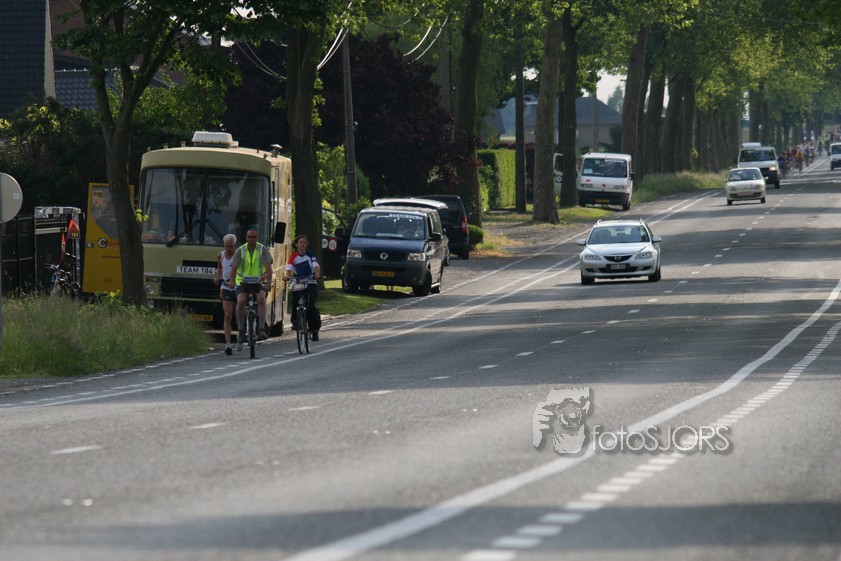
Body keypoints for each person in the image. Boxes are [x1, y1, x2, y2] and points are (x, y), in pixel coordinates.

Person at [227, 228, 273, 346]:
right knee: (241, 301)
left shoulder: (262, 249)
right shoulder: (240, 250)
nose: (251, 239)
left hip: (260, 281)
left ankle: (261, 328)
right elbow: (234, 268)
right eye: (249, 237)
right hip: (243, 282)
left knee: (261, 299)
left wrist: (269, 282)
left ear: (257, 238)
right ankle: (241, 329)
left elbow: (268, 268)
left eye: (254, 237)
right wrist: (232, 281)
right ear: (246, 238)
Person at [283, 235, 322, 341]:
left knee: (310, 307)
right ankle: (296, 321)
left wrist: (317, 274)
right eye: (300, 242)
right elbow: (289, 269)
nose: (302, 244)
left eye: (304, 242)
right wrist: (287, 276)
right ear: (296, 244)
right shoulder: (293, 256)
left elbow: (316, 266)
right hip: (299, 282)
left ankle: (314, 330)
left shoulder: (310, 255)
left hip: (310, 282)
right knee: (295, 300)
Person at [214, 234, 237, 355]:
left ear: (234, 245)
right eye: (227, 246)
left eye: (231, 246)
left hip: (238, 286)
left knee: (239, 313)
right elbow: (220, 269)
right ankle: (228, 343)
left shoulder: (238, 255)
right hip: (226, 287)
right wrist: (217, 277)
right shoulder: (220, 255)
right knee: (228, 315)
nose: (229, 248)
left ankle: (243, 332)